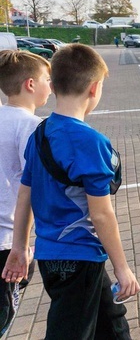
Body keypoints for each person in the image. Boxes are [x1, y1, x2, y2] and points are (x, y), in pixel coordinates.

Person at [2, 44, 140, 339]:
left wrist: (19, 246)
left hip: (52, 256)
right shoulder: (91, 142)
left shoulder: (39, 133)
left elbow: (25, 193)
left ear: (53, 85)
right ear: (94, 88)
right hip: (80, 259)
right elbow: (101, 214)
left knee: (113, 324)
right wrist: (123, 268)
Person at [0, 51, 52, 334]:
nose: (51, 85)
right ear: (30, 84)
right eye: (47, 78)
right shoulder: (31, 125)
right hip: (8, 242)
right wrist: (22, 247)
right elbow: (29, 187)